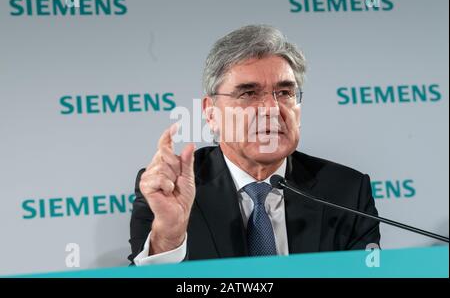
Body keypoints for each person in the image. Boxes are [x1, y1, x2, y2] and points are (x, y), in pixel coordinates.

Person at [128, 24, 380, 265]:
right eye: (248, 93)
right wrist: (168, 237)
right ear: (211, 113)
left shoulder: (346, 191)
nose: (271, 109)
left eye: (284, 93)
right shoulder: (171, 190)